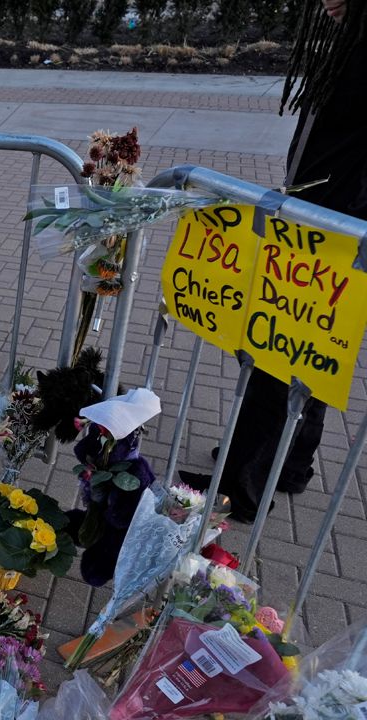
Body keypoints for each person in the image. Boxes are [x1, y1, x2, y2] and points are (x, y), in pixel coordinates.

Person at [180, 0, 366, 523]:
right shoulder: (351, 43)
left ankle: (243, 483)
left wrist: (340, 220)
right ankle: (286, 462)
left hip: (331, 227)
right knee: (304, 353)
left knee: (282, 351)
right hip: (318, 218)